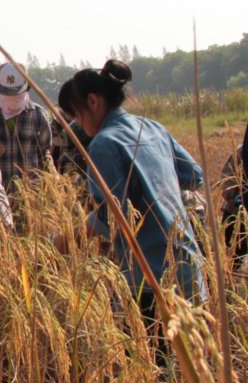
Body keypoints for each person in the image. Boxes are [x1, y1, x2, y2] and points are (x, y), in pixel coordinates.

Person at [58, 59, 206, 309]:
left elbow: (112, 216)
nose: (77, 124)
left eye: (75, 115)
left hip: (150, 276)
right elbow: (194, 175)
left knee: (145, 336)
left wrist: (66, 241)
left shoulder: (104, 144)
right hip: (189, 268)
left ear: (92, 101)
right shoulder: (153, 127)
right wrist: (155, 184)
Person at [0, 63, 54, 191]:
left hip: (30, 193)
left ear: (26, 87)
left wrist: (52, 184)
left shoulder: (39, 115)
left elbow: (45, 153)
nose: (12, 98)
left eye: (15, 94)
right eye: (7, 94)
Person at [220, 124, 248, 264]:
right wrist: (237, 196)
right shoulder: (241, 152)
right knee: (233, 261)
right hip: (235, 215)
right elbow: (226, 182)